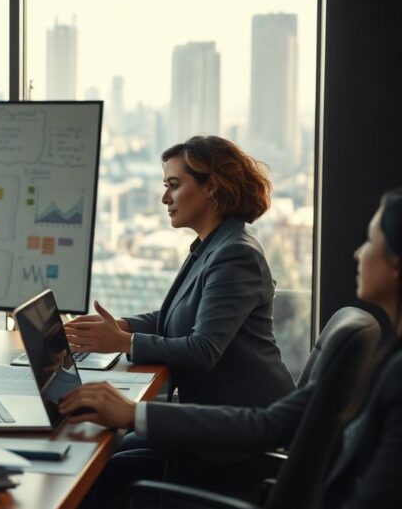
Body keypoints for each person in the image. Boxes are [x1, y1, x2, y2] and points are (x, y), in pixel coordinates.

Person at [60, 188, 402, 508]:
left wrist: (132, 411)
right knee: (113, 452)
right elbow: (273, 423)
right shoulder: (387, 365)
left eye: (370, 241)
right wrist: (123, 334)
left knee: (104, 470)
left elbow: (373, 494)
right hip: (249, 436)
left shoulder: (395, 377)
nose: (359, 253)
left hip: (237, 458)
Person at [65, 136, 294, 408]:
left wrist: (123, 342)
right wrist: (116, 327)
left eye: (173, 186)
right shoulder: (212, 244)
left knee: (114, 441)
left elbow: (202, 350)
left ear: (210, 187)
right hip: (215, 414)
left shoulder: (235, 255)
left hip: (243, 424)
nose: (164, 198)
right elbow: (175, 317)